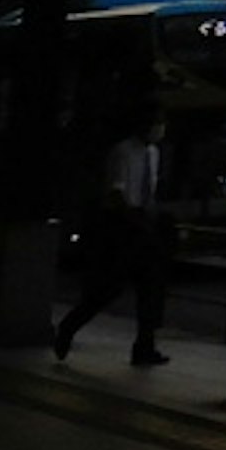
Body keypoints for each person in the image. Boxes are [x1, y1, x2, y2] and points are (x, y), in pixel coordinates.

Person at [52, 110, 170, 368]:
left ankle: (144, 347)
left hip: (142, 223)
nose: (160, 130)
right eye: (156, 124)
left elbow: (149, 190)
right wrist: (135, 220)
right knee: (109, 288)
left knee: (150, 289)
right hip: (122, 226)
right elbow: (116, 193)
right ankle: (68, 327)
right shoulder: (122, 152)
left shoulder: (153, 154)